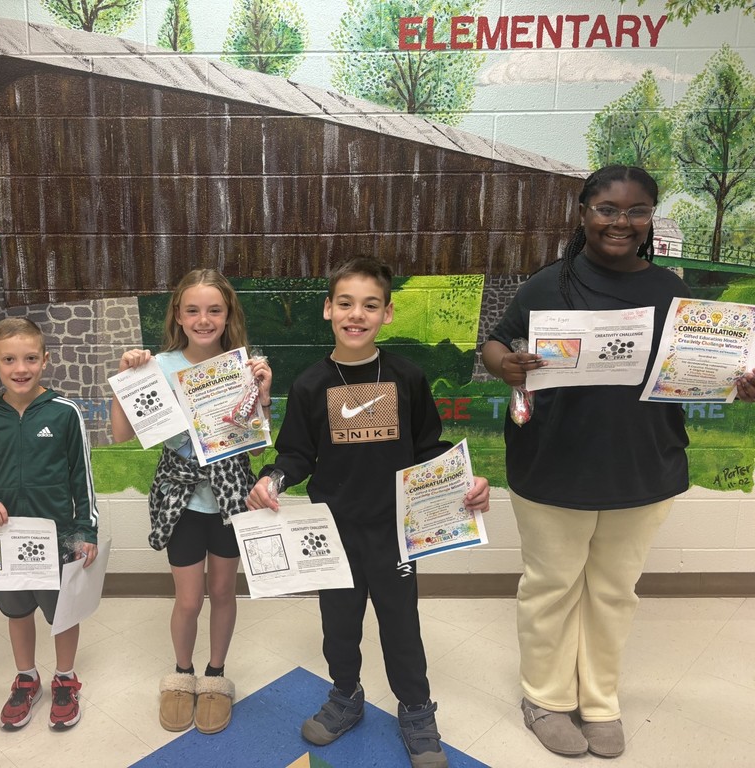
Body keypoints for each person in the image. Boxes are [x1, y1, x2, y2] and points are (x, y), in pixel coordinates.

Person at [481, 165, 755, 759]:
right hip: (553, 463)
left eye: (635, 211)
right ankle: (544, 698)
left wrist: (737, 382)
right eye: (607, 208)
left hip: (643, 465)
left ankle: (599, 700)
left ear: (650, 217)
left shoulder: (670, 291)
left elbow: (700, 367)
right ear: (583, 213)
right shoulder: (545, 285)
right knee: (551, 587)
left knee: (613, 590)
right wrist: (504, 363)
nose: (620, 222)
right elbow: (496, 339)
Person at [247, 257, 490, 768]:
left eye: (370, 305)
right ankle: (345, 696)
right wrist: (273, 479)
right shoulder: (313, 384)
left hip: (396, 533)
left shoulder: (406, 376)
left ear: (388, 314)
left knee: (401, 624)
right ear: (327, 309)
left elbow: (429, 450)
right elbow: (296, 455)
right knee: (339, 625)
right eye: (345, 303)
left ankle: (418, 710)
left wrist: (465, 484)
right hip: (332, 533)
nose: (356, 314)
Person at [110, 269, 273, 735]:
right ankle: (182, 673)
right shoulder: (156, 365)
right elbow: (121, 434)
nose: (204, 319)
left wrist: (261, 394)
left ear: (228, 315)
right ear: (178, 315)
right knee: (188, 598)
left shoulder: (243, 366)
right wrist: (127, 381)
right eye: (193, 310)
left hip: (230, 493)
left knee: (222, 591)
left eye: (214, 310)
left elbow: (258, 449)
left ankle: (216, 676)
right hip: (178, 497)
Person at [0, 317, 99, 732]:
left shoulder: (65, 413)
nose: (20, 368)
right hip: (8, 541)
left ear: (46, 359)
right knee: (17, 610)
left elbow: (83, 478)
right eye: (9, 359)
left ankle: (64, 678)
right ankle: (27, 678)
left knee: (63, 613)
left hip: (57, 537)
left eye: (29, 358)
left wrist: (85, 531)